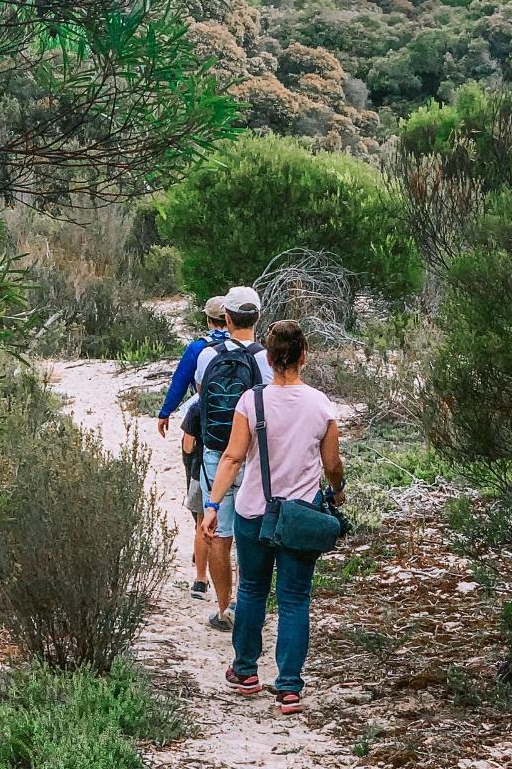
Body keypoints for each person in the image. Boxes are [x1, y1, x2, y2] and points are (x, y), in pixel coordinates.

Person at [202, 319, 344, 714]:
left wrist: (213, 506)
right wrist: (337, 491)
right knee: (295, 599)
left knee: (252, 590)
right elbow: (332, 464)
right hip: (299, 516)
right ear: (303, 356)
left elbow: (232, 457)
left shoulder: (251, 401)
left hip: (253, 513)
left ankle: (245, 670)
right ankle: (289, 688)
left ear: (268, 357)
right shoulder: (321, 405)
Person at [195, 286, 273, 631]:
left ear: (225, 318)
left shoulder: (207, 356)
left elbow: (202, 400)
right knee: (251, 531)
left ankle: (224, 609)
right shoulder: (265, 358)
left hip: (215, 451)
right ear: (257, 317)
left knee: (219, 529)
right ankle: (247, 601)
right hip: (254, 453)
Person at [156, 296, 229, 438]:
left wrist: (165, 412)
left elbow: (180, 382)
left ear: (208, 320)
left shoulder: (197, 348)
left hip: (209, 411)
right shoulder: (244, 345)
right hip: (241, 412)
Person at [179, 394, 209, 598]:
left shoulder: (197, 407)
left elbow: (188, 446)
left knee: (201, 523)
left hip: (202, 471)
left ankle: (200, 579)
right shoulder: (242, 403)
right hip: (236, 471)